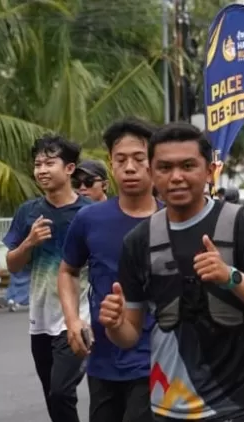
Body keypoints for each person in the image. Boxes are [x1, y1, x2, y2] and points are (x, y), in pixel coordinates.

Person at [98, 122, 244, 422]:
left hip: (233, 401)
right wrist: (114, 324)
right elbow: (129, 335)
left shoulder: (239, 224)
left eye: (188, 166)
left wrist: (230, 276)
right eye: (164, 167)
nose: (176, 177)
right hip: (167, 403)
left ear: (209, 170)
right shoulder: (139, 240)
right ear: (152, 171)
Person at [58, 118, 158, 422]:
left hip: (158, 361)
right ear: (110, 165)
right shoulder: (90, 220)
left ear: (154, 163)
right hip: (103, 360)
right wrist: (73, 320)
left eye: (139, 159)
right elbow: (67, 271)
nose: (130, 167)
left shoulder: (175, 220)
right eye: (121, 159)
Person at [3, 134, 93, 422]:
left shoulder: (90, 214)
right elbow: (12, 265)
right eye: (38, 164)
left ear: (69, 169)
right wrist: (28, 243)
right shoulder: (28, 212)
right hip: (40, 319)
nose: (41, 170)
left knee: (60, 390)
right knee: (52, 395)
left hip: (79, 317)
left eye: (49, 163)